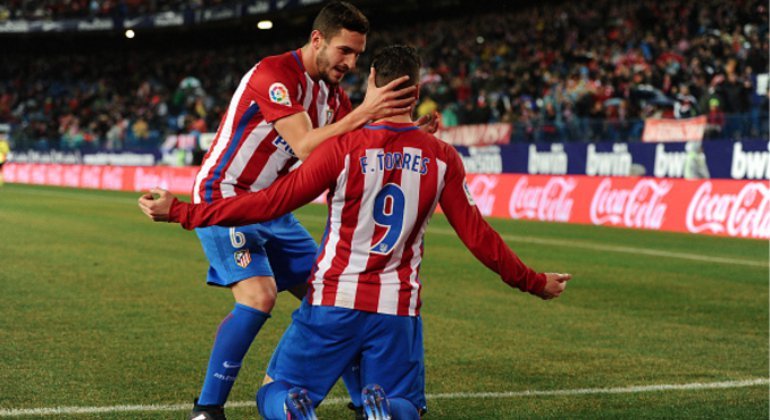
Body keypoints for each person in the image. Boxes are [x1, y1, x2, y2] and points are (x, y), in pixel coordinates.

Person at [140, 45, 570, 420]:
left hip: (334, 299)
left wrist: (183, 212)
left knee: (273, 391)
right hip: (397, 310)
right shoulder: (442, 158)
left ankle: (284, 406)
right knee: (405, 404)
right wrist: (534, 282)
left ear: (371, 80)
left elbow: (270, 202)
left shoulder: (340, 149)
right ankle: (381, 407)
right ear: (417, 92)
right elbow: (479, 237)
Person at [175, 2, 433, 419]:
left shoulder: (333, 95)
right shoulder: (274, 75)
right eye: (344, 51)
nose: (351, 63)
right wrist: (365, 111)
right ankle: (207, 409)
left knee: (333, 294)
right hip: (227, 198)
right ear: (317, 40)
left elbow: (365, 139)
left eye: (357, 54)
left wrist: (410, 132)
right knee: (260, 296)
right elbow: (305, 145)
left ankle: (365, 403)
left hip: (275, 208)